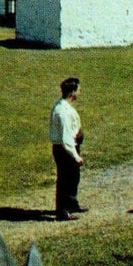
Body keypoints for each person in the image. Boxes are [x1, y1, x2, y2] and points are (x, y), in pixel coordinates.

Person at [49, 77, 86, 221]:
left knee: (73, 177)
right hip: (65, 149)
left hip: (70, 146)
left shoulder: (64, 106)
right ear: (72, 92)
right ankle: (62, 211)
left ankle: (72, 203)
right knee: (64, 179)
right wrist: (75, 155)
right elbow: (65, 137)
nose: (80, 92)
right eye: (78, 89)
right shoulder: (62, 110)